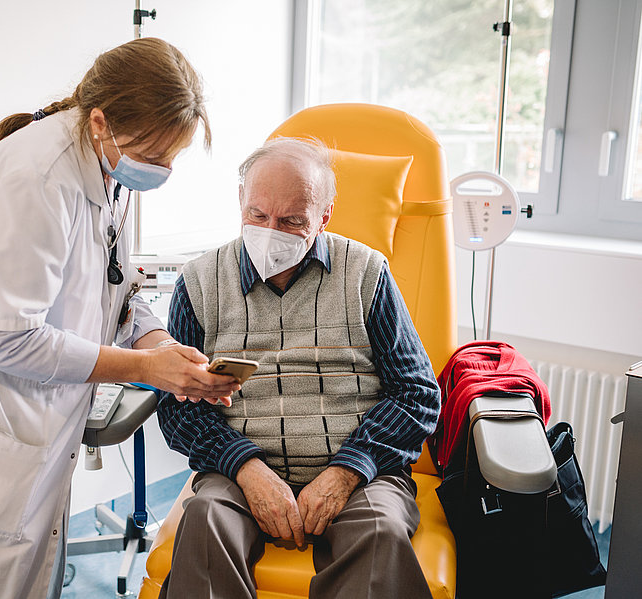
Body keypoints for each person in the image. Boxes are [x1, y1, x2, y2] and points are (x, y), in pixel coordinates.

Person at [0, 38, 240, 599]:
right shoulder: (34, 180)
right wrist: (144, 367)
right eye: (153, 156)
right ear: (101, 122)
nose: (160, 170)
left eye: (169, 160)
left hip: (39, 437)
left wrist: (160, 344)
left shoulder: (105, 172)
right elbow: (8, 340)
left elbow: (115, 287)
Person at [156, 138, 442, 598]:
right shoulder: (199, 282)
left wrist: (346, 470)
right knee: (206, 520)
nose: (271, 232)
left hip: (358, 474)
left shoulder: (367, 273)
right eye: (258, 215)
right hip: (237, 474)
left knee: (379, 534)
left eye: (291, 221)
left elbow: (416, 393)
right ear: (241, 204)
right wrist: (246, 468)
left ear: (325, 215)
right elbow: (178, 406)